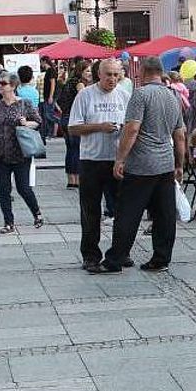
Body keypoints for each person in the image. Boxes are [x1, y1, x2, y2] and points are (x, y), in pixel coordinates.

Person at [90, 57, 186, 273]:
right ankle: (161, 258)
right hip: (165, 163)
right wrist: (179, 164)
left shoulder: (140, 95)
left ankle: (115, 259)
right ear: (160, 73)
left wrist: (120, 159)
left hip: (142, 164)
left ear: (143, 72)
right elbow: (180, 135)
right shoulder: (172, 97)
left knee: (127, 213)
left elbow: (132, 129)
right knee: (164, 214)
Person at [67, 59, 128, 271]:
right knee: (90, 210)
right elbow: (73, 128)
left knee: (122, 209)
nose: (112, 79)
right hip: (91, 160)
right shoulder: (85, 95)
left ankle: (121, 251)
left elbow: (132, 125)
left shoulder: (124, 95)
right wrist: (99, 127)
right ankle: (90, 255)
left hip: (117, 159)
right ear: (98, 74)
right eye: (108, 74)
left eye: (115, 74)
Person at [0, 72, 44, 234]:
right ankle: (9, 223)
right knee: (3, 189)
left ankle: (37, 213)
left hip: (20, 152)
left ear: (13, 86)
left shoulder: (24, 104)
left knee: (23, 188)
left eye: (3, 83)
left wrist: (26, 123)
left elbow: (38, 121)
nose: (0, 86)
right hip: (0, 153)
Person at [56, 60, 91, 189]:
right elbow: (84, 101)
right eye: (87, 71)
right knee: (77, 149)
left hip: (65, 118)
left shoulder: (69, 82)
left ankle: (71, 180)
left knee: (70, 150)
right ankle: (77, 179)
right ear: (80, 71)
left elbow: (59, 101)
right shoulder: (79, 84)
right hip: (74, 119)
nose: (90, 73)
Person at [40, 56, 58, 139]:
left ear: (44, 62)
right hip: (46, 96)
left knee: (48, 114)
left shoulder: (51, 71)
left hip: (49, 96)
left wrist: (51, 96)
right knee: (47, 115)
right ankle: (50, 133)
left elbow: (53, 84)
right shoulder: (48, 71)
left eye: (41, 62)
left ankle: (59, 121)